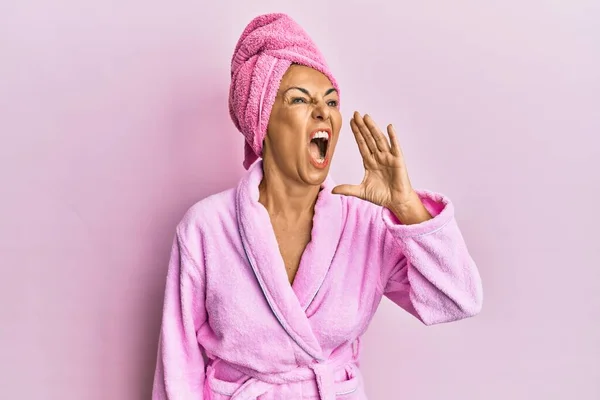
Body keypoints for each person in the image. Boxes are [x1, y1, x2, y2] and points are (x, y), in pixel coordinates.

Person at [151, 13, 483, 400]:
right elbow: (178, 365)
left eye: (331, 101)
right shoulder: (206, 227)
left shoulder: (365, 224)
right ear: (262, 122)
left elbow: (457, 300)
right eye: (299, 100)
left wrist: (406, 207)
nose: (323, 111)